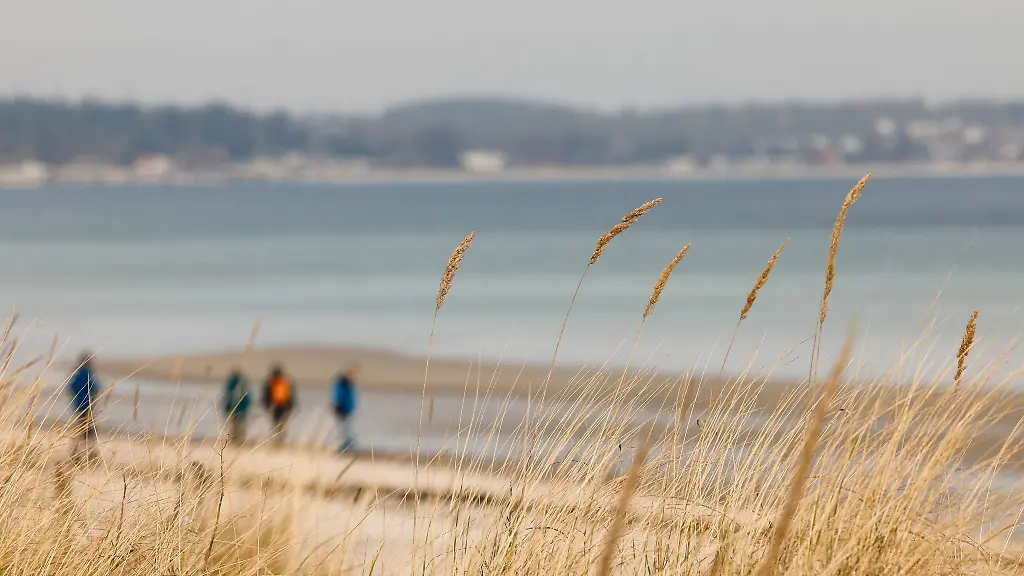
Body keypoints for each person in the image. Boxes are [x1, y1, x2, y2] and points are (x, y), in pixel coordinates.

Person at [67, 352, 100, 463]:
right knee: (89, 432)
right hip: (87, 406)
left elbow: (71, 387)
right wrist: (93, 402)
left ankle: (75, 453)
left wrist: (76, 398)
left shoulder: (77, 373)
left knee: (80, 430)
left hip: (78, 405)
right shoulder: (88, 373)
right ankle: (91, 455)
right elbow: (95, 388)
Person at [261, 364, 295, 446]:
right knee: (280, 425)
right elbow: (291, 397)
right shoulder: (284, 383)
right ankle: (279, 440)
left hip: (277, 407)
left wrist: (267, 406)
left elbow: (266, 397)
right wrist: (290, 407)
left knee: (277, 424)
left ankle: (278, 440)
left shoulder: (271, 383)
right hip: (282, 407)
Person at [331, 365, 359, 452]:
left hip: (348, 409)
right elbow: (337, 395)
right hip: (341, 408)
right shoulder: (342, 382)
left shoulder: (350, 383)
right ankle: (342, 446)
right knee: (342, 428)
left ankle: (348, 445)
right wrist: (336, 405)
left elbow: (351, 397)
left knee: (348, 428)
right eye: (353, 373)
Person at [222, 368, 251, 445]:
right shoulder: (243, 385)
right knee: (240, 426)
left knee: (233, 426)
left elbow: (227, 398)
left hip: (233, 409)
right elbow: (247, 399)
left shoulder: (231, 384)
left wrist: (226, 408)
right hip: (241, 410)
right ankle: (239, 441)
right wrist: (245, 409)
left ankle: (232, 440)